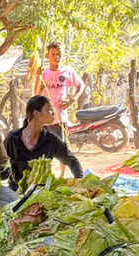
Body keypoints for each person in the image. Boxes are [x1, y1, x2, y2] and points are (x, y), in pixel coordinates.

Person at [4, 95, 84, 190]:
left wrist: (80, 183)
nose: (54, 113)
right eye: (49, 109)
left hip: (40, 194)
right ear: (36, 113)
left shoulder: (51, 140)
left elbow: (73, 162)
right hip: (15, 193)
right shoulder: (12, 138)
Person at [34, 41, 84, 177]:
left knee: (62, 147)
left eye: (59, 54)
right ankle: (45, 175)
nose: (56, 57)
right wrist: (37, 78)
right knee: (43, 147)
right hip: (44, 119)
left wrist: (72, 99)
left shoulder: (68, 72)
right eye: (53, 54)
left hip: (60, 117)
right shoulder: (44, 73)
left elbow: (81, 85)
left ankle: (62, 175)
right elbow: (36, 93)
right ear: (47, 56)